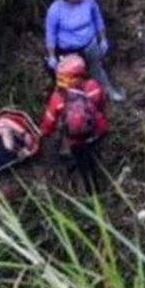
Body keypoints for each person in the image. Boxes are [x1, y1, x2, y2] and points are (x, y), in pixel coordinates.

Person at [43, 0, 123, 102]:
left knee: (97, 69)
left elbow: (98, 19)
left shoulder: (88, 0)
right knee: (71, 78)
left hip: (89, 44)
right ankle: (73, 104)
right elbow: (50, 34)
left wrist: (102, 39)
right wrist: (52, 55)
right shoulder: (56, 10)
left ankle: (109, 92)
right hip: (68, 50)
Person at [37, 54, 109, 193]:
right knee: (93, 157)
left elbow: (49, 120)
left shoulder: (58, 98)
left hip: (75, 140)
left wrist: (43, 133)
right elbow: (101, 104)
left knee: (82, 164)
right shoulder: (93, 87)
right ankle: (98, 178)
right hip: (96, 132)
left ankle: (90, 191)